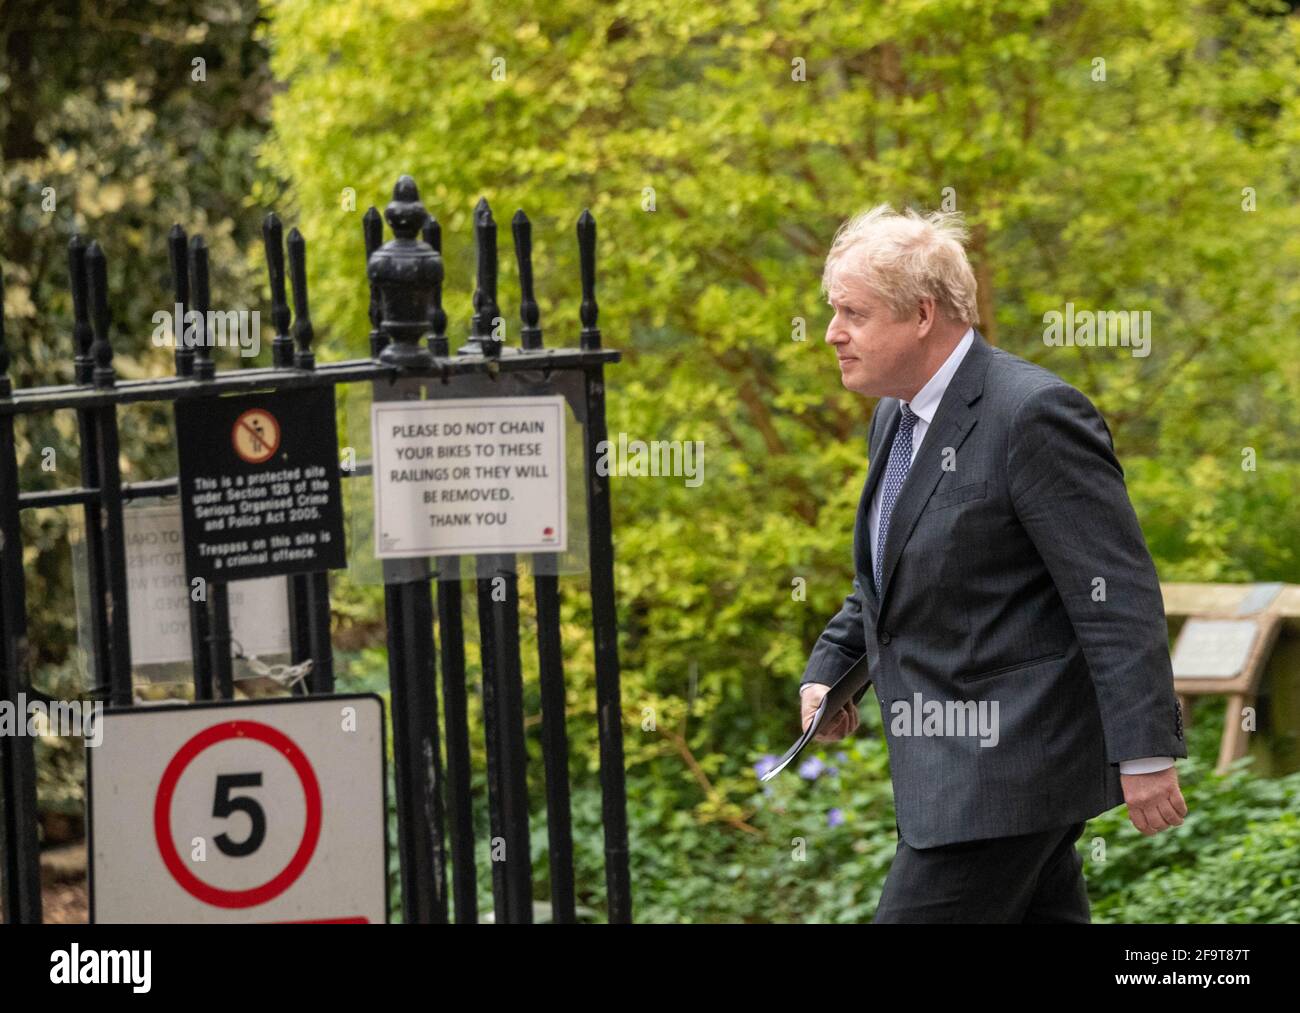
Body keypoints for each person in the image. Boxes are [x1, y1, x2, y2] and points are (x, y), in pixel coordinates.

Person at [799, 204, 1187, 923]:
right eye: (833, 310)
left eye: (852, 312)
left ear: (921, 314)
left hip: (1001, 774)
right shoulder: (897, 413)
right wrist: (831, 666)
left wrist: (1144, 752)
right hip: (962, 777)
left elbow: (1116, 593)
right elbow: (891, 571)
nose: (832, 333)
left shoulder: (1033, 414)